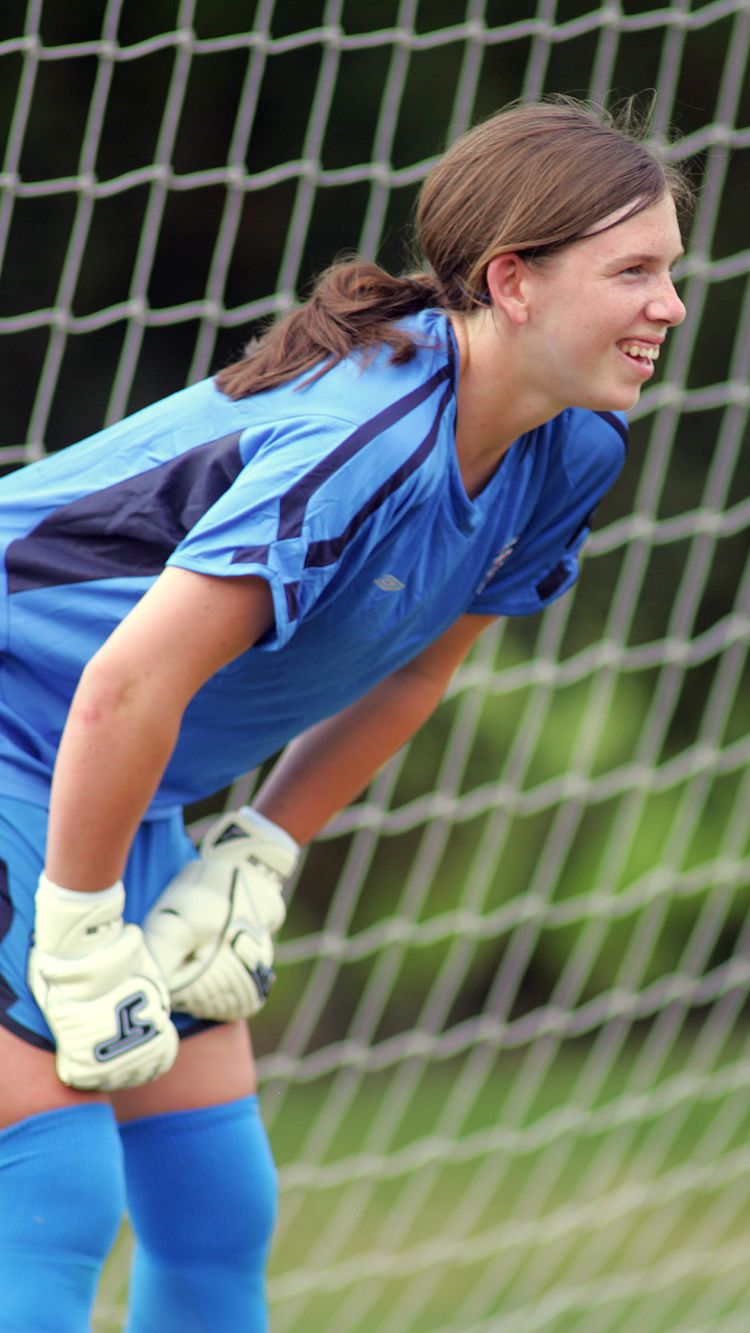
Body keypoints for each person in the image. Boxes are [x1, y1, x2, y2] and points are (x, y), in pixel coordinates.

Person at [0, 96, 689, 1332]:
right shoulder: (358, 441)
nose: (671, 307)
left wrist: (264, 845)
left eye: (671, 271)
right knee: (51, 1189)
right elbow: (126, 683)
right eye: (633, 271)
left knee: (217, 1205)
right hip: (27, 751)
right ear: (512, 281)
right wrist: (82, 919)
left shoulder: (570, 448)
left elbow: (414, 670)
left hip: (106, 782)